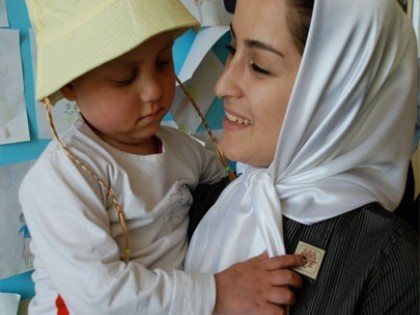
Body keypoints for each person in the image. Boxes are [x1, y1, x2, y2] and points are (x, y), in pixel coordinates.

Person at [19, 0, 306, 314]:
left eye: (162, 62)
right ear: (71, 85)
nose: (153, 90)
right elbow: (99, 296)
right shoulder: (60, 178)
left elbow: (235, 186)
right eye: (125, 78)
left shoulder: (183, 150)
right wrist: (219, 292)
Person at [186, 0, 419, 314]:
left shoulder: (391, 268)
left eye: (259, 66)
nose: (222, 84)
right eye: (231, 48)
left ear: (337, 90)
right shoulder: (197, 203)